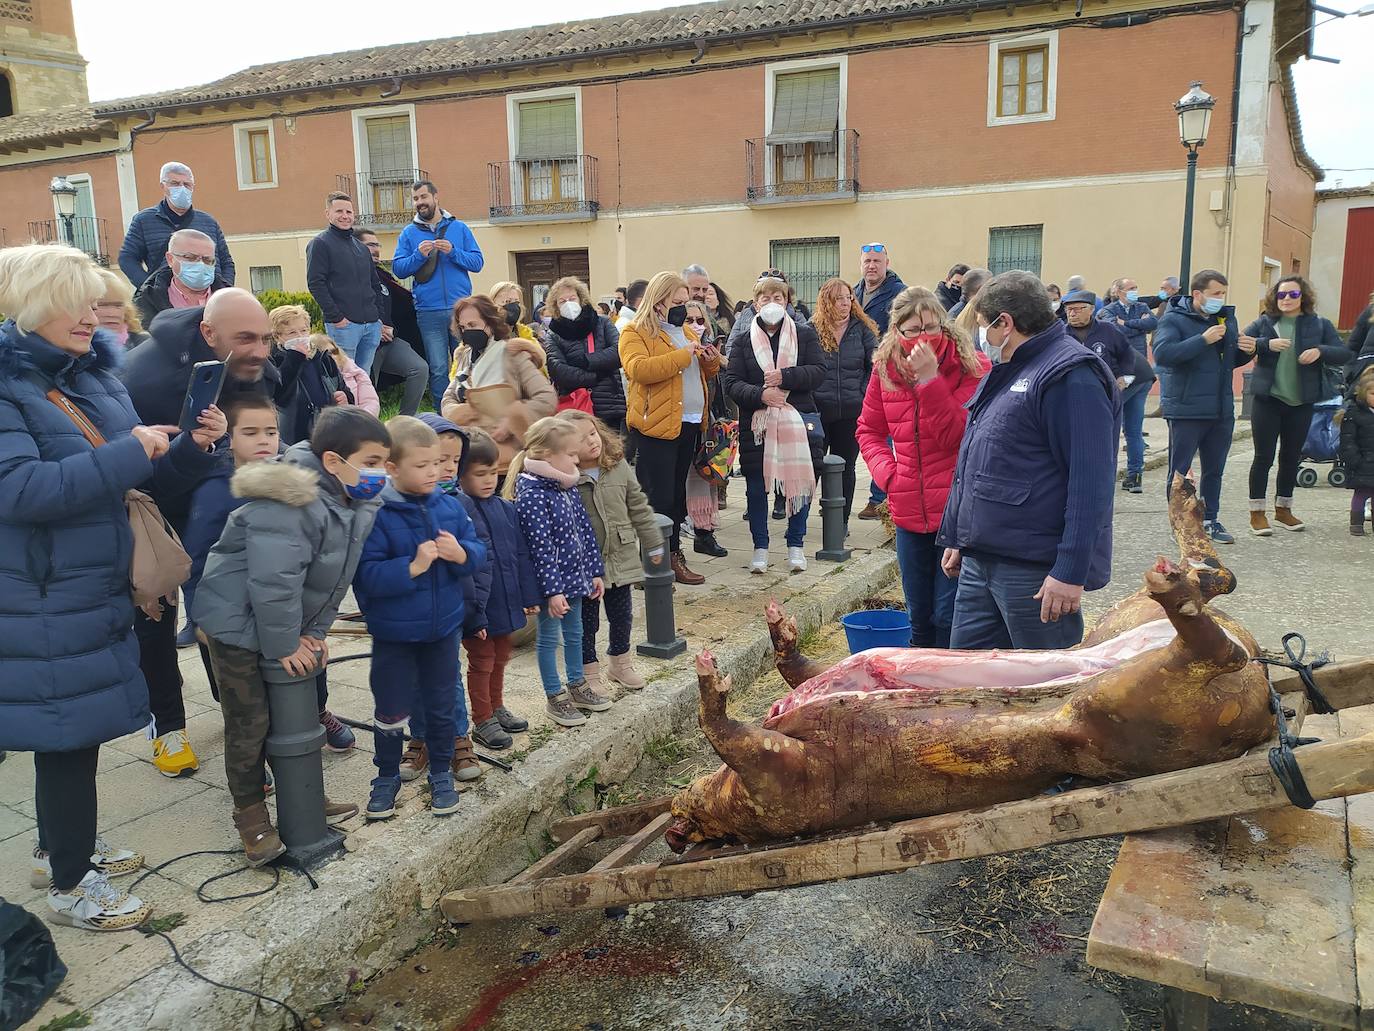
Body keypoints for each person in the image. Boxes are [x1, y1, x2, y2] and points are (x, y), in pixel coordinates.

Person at [0, 244, 221, 930]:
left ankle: (56, 845)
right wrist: (131, 450)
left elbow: (138, 481)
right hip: (41, 591)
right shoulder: (9, 387)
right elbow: (20, 488)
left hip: (95, 583)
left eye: (96, 298)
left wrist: (186, 448)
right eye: (76, 298)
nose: (93, 312)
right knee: (66, 730)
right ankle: (70, 884)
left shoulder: (92, 374)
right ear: (27, 304)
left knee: (75, 729)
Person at [195, 407, 388, 863]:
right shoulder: (289, 502)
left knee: (294, 714)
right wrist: (285, 644)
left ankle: (300, 799)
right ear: (334, 461)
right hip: (236, 623)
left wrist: (315, 632)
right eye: (373, 461)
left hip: (285, 620)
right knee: (250, 722)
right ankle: (252, 818)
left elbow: (335, 578)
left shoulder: (350, 499)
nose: (381, 473)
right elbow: (273, 581)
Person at [938, 271, 1119, 650]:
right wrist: (960, 534)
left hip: (1034, 574)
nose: (981, 337)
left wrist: (1070, 571)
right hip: (981, 560)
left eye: (985, 325)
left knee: (1040, 692)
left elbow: (1090, 484)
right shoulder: (1010, 367)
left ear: (1005, 323)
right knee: (968, 688)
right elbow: (979, 456)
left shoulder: (1071, 376)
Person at [354, 416, 485, 819]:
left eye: (438, 463)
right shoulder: (375, 513)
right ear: (392, 468)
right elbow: (365, 577)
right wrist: (412, 566)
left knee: (442, 702)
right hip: (394, 634)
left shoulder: (449, 506)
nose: (433, 472)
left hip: (442, 630)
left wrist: (462, 555)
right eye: (422, 465)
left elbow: (477, 551)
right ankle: (386, 776)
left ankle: (441, 774)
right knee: (391, 707)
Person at [858, 287, 989, 647]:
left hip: (955, 511)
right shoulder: (885, 369)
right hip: (908, 509)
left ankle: (946, 686)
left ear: (945, 327)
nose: (922, 338)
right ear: (896, 331)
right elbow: (868, 429)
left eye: (931, 327)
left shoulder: (972, 367)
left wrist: (930, 380)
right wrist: (887, 474)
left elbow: (958, 438)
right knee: (918, 614)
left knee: (948, 615)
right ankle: (918, 689)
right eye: (911, 330)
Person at [619, 271, 722, 585]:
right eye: (676, 302)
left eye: (684, 301)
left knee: (677, 496)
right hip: (655, 426)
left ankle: (673, 554)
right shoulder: (635, 332)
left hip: (689, 423)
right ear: (658, 300)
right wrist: (682, 356)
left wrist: (708, 359)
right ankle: (652, 561)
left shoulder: (685, 331)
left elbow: (702, 373)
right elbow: (639, 369)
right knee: (658, 496)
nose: (681, 307)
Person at [506, 417, 608, 727]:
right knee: (550, 638)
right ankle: (555, 697)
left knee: (575, 634)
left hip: (574, 579)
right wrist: (553, 592)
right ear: (548, 455)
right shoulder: (533, 494)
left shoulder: (566, 485)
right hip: (552, 586)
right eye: (571, 454)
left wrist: (594, 571)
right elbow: (540, 548)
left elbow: (585, 532)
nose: (577, 460)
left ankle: (577, 685)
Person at [723, 274, 825, 574]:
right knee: (757, 489)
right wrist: (761, 394)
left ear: (787, 302)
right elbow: (732, 383)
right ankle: (760, 547)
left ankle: (796, 545)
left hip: (798, 421)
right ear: (755, 305)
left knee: (798, 485)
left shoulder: (804, 335)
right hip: (758, 425)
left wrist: (786, 377)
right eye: (765, 298)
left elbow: (819, 371)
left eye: (777, 297)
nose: (771, 303)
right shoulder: (743, 341)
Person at [559, 410, 664, 694]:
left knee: (622, 614)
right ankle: (588, 670)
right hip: (586, 562)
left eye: (593, 433)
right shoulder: (567, 477)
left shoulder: (618, 466)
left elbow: (638, 505)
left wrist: (653, 541)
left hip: (621, 553)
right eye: (582, 440)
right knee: (587, 620)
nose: (592, 442)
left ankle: (620, 662)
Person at [1241, 275, 1351, 535]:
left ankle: (1283, 509)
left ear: (1303, 297)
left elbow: (1344, 353)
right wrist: (1264, 344)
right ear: (1274, 297)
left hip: (1301, 401)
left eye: (1293, 294)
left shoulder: (1319, 324)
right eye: (1282, 294)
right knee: (1263, 457)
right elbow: (1240, 342)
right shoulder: (1265, 322)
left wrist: (1321, 351)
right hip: (1268, 400)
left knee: (1291, 457)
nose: (1287, 299)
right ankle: (1257, 513)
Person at [1152, 270, 1254, 545]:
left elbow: (1226, 362)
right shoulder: (1173, 319)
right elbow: (1163, 355)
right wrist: (1202, 340)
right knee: (1180, 472)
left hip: (1220, 408)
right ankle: (1181, 525)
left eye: (1223, 293)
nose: (1220, 299)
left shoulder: (1225, 318)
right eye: (1215, 293)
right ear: (1198, 294)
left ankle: (1210, 520)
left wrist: (1248, 350)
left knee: (1215, 470)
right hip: (1186, 408)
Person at [452, 426, 538, 752]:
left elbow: (521, 555)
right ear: (460, 476)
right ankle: (482, 717)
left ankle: (497, 705)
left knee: (502, 656)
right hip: (478, 606)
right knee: (482, 660)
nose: (489, 480)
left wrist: (528, 596)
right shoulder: (458, 510)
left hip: (507, 599)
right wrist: (472, 613)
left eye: (493, 472)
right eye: (479, 474)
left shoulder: (506, 509)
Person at [440, 294, 556, 475]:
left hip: (508, 460)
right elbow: (449, 396)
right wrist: (457, 412)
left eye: (473, 325)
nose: (467, 331)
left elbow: (546, 397)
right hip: (469, 457)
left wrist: (512, 421)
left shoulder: (513, 355)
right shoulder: (464, 357)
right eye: (462, 327)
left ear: (491, 323)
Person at [391, 181, 485, 402]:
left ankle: (468, 407)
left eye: (424, 197)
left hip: (461, 310)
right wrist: (417, 256)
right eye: (415, 199)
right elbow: (398, 269)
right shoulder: (408, 233)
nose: (420, 203)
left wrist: (453, 252)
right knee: (439, 367)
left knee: (466, 361)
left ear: (436, 197)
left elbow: (477, 262)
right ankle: (444, 414)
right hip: (428, 311)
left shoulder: (459, 228)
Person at [811, 277, 878, 528]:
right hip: (818, 410)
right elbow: (804, 366)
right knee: (813, 467)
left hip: (852, 410)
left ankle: (840, 524)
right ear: (826, 301)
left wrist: (862, 394)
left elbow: (874, 366)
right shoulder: (811, 329)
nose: (845, 303)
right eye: (838, 298)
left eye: (848, 297)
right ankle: (800, 521)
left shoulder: (862, 329)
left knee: (846, 467)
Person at [1062, 290, 1140, 492]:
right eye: (1069, 310)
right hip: (1072, 398)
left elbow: (1127, 355)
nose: (1073, 314)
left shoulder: (1108, 331)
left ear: (1091, 310)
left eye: (1078, 309)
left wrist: (1125, 378)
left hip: (1106, 396)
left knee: (1105, 443)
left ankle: (1104, 485)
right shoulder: (1062, 334)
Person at [118, 161, 234, 288]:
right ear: (163, 186)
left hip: (210, 298)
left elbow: (226, 262)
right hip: (165, 301)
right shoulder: (143, 220)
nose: (182, 188)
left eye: (187, 184)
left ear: (192, 187)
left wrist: (223, 290)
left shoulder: (209, 222)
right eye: (175, 184)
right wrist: (149, 289)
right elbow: (127, 258)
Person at [306, 192, 385, 376]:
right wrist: (337, 318)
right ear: (328, 214)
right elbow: (316, 284)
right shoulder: (320, 244)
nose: (345, 216)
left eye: (349, 211)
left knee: (363, 377)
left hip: (371, 325)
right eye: (339, 211)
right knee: (345, 377)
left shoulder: (361, 248)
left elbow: (374, 284)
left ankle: (363, 406)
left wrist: (378, 317)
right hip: (344, 326)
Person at [356, 228, 430, 418]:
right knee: (367, 389)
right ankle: (368, 427)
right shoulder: (350, 276)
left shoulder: (382, 276)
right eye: (370, 245)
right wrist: (375, 326)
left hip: (390, 341)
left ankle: (406, 420)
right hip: (367, 343)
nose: (376, 249)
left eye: (377, 244)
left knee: (419, 369)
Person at [543, 276, 625, 432]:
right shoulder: (554, 334)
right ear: (555, 306)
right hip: (576, 410)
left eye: (572, 298)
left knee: (611, 453)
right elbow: (558, 370)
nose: (568, 304)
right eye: (562, 301)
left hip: (609, 405)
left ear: (581, 299)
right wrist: (596, 376)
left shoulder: (602, 323)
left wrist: (586, 362)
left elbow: (619, 351)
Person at [267, 305, 349, 446]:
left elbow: (341, 387)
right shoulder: (274, 361)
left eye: (304, 330)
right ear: (277, 336)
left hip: (327, 429)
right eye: (292, 333)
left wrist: (346, 397)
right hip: (293, 435)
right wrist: (294, 358)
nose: (300, 336)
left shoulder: (323, 358)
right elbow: (280, 394)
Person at [132, 228, 230, 327]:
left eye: (207, 260)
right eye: (190, 258)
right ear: (170, 259)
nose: (200, 265)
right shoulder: (148, 301)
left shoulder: (230, 298)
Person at [1341, 368, 1374, 535]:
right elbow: (1348, 440)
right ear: (1363, 394)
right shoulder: (1354, 414)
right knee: (1361, 495)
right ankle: (1356, 524)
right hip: (1361, 463)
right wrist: (1355, 460)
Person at [314, 333, 380, 415]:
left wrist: (360, 420)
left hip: (362, 421)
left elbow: (371, 402)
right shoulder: (314, 380)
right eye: (326, 355)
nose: (333, 357)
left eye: (334, 351)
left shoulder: (355, 371)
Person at [1097, 278, 1158, 358]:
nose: (1135, 291)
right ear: (1119, 292)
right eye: (1131, 289)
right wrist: (1141, 326)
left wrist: (1126, 323)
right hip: (1119, 356)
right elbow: (1116, 331)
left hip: (1140, 356)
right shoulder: (1108, 310)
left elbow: (1153, 323)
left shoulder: (1142, 306)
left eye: (1136, 288)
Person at [854, 243, 906, 335]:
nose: (871, 266)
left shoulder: (902, 294)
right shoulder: (852, 295)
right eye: (867, 261)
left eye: (877, 261)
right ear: (860, 264)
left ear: (886, 263)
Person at [94, 269, 149, 352]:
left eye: (118, 305)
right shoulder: (73, 352)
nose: (112, 313)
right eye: (102, 305)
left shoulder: (144, 345)